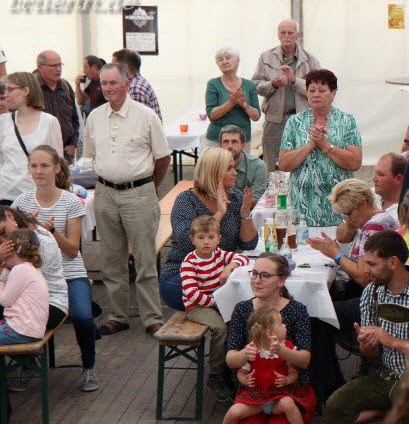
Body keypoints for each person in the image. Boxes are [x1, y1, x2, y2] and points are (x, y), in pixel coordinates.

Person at [325, 230, 409, 424]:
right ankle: (391, 410)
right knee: (334, 410)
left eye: (372, 264)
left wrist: (391, 341)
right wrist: (367, 345)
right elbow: (370, 356)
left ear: (393, 262)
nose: (366, 270)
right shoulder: (372, 291)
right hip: (383, 374)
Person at [84, 63, 171, 337]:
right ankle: (117, 316)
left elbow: (163, 157)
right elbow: (89, 155)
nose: (107, 88)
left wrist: (147, 188)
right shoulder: (94, 117)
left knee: (145, 259)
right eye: (103, 83)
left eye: (113, 83)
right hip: (105, 193)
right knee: (112, 259)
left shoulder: (146, 116)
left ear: (126, 84)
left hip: (139, 193)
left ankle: (152, 318)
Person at [11, 145, 99, 392]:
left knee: (82, 315)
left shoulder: (71, 201)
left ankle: (89, 365)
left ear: (57, 168)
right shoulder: (21, 202)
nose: (39, 171)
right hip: (33, 276)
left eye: (45, 166)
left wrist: (49, 231)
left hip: (70, 273)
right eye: (34, 166)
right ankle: (28, 361)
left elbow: (72, 250)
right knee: (12, 315)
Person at [225, 254, 316, 424]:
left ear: (281, 281)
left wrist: (281, 351)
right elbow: (231, 359)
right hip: (255, 392)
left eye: (265, 275)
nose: (257, 280)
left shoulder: (297, 310)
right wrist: (244, 355)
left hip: (287, 394)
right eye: (254, 274)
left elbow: (304, 361)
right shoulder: (242, 309)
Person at [159, 147, 258, 311]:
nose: (235, 173)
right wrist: (218, 213)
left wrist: (245, 213)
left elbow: (249, 245)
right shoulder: (186, 200)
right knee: (242, 295)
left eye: (234, 167)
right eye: (228, 168)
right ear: (214, 172)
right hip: (182, 277)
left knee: (257, 287)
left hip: (218, 275)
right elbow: (186, 243)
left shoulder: (235, 196)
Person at [209, 307, 312, 424]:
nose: (285, 326)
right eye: (281, 323)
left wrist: (287, 379)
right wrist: (245, 379)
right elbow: (241, 372)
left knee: (288, 404)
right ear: (270, 333)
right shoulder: (251, 350)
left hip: (278, 396)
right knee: (234, 411)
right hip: (255, 399)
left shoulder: (287, 347)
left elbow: (294, 373)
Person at [307, 179, 399, 325]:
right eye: (344, 215)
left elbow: (363, 277)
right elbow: (341, 236)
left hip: (378, 298)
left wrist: (335, 254)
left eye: (349, 213)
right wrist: (351, 224)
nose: (347, 219)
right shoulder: (380, 217)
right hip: (379, 291)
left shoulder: (373, 226)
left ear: (364, 203)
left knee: (318, 313)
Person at [278, 69, 362, 226]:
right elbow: (283, 164)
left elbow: (355, 162)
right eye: (312, 90)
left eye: (322, 90)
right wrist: (311, 144)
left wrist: (325, 145)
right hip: (303, 210)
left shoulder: (346, 121)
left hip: (340, 209)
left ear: (333, 93)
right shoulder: (294, 122)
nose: (316, 94)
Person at [180, 215, 249, 400]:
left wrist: (229, 268)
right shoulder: (189, 262)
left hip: (217, 301)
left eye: (211, 237)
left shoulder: (219, 254)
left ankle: (235, 370)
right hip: (197, 306)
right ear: (192, 239)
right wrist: (217, 301)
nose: (206, 242)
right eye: (201, 237)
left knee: (239, 322)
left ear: (218, 239)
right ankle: (216, 375)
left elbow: (243, 258)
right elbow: (192, 293)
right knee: (219, 328)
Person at [0, 207, 69, 391]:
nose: (2, 240)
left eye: (1, 232)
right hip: (25, 303)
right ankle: (26, 362)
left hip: (51, 304)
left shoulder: (36, 244)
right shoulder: (21, 240)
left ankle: (24, 364)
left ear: (9, 216)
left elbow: (7, 283)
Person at [253, 19, 321, 172]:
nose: (286, 36)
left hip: (302, 120)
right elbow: (255, 86)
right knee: (272, 166)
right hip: (275, 120)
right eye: (282, 32)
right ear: (278, 34)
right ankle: (273, 195)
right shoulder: (266, 57)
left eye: (290, 33)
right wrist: (273, 84)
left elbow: (318, 89)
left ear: (298, 35)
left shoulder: (310, 60)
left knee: (302, 161)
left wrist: (294, 80)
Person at [0, 72, 64, 205]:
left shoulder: (49, 122)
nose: (6, 94)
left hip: (37, 198)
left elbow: (58, 164)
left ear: (26, 91)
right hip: (6, 196)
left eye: (10, 89)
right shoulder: (3, 121)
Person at [204, 47, 261, 149]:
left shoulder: (250, 85)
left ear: (237, 60)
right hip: (216, 141)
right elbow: (211, 114)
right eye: (220, 59)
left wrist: (243, 103)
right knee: (216, 165)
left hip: (242, 141)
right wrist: (231, 102)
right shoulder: (213, 84)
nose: (224, 62)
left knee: (240, 165)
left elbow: (256, 116)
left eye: (228, 58)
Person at [0, 229, 49, 345]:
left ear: (11, 252)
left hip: (20, 329)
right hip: (31, 330)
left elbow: (5, 301)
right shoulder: (32, 269)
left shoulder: (19, 270)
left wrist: (1, 281)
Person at [35, 50, 80, 160]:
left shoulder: (65, 86)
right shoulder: (32, 88)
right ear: (40, 66)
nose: (58, 69)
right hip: (41, 153)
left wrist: (73, 143)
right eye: (53, 66)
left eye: (60, 64)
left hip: (66, 153)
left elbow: (74, 118)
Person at [219, 124, 267, 204]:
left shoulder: (258, 166)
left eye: (234, 142)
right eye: (226, 142)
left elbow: (256, 201)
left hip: (247, 213)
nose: (230, 146)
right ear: (220, 145)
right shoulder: (212, 165)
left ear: (243, 145)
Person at [111, 48, 162, 119]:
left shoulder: (135, 89)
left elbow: (138, 124)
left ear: (124, 67)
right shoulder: (137, 83)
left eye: (114, 66)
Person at [373, 153, 405, 223]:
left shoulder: (407, 212)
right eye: (375, 173)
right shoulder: (367, 196)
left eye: (380, 174)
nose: (374, 179)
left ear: (398, 179)